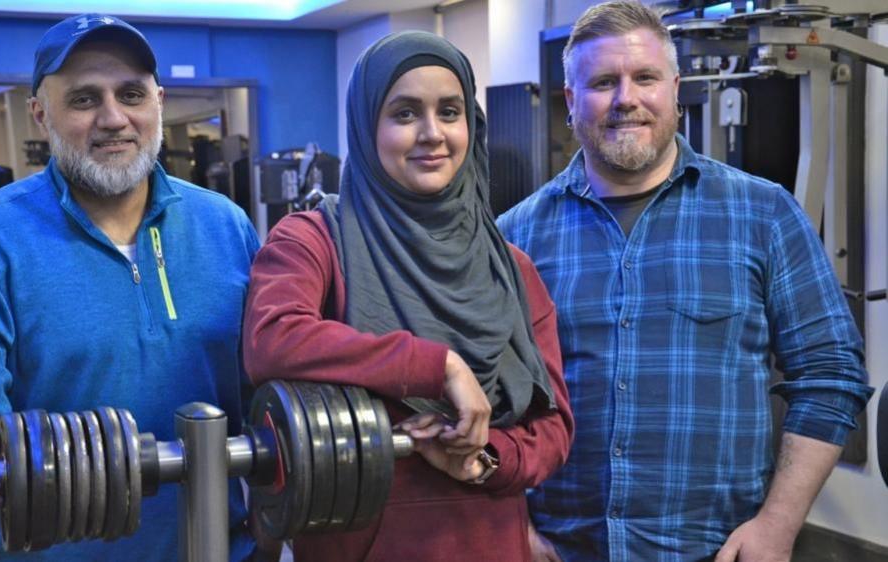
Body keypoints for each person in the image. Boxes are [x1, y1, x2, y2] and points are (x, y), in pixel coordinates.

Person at [497, 2, 873, 561]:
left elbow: (831, 374)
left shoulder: (763, 215)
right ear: (572, 102)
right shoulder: (514, 236)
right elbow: (488, 401)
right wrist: (511, 527)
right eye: (603, 82)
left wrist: (778, 524)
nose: (626, 98)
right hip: (561, 550)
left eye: (644, 77)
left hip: (717, 552)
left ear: (674, 88)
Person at [0, 14, 259, 561]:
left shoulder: (227, 226)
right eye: (83, 100)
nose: (114, 118)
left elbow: (264, 390)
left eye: (132, 94)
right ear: (40, 114)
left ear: (159, 102)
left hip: (213, 549)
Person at [242, 31, 574, 561]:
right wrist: (437, 366)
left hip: (490, 541)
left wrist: (483, 457)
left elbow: (553, 428)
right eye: (403, 114)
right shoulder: (313, 240)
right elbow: (273, 338)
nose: (432, 134)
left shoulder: (509, 267)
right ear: (366, 125)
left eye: (449, 111)